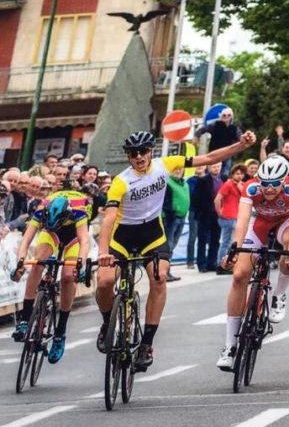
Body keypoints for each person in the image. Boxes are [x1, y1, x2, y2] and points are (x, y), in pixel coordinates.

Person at [95, 130, 256, 372]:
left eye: (143, 152)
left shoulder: (165, 164)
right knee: (105, 282)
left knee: (159, 278)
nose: (139, 157)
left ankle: (147, 344)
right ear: (128, 156)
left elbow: (208, 158)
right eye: (133, 153)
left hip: (152, 234)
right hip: (122, 237)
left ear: (151, 152)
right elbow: (108, 219)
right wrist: (103, 252)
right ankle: (107, 322)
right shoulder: (121, 181)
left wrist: (240, 146)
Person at [216, 156, 289, 371]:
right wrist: (234, 250)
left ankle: (279, 294)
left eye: (274, 183)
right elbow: (242, 221)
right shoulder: (251, 188)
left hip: (286, 224)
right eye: (265, 183)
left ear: (284, 181)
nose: (269, 188)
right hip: (259, 224)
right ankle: (229, 346)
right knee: (239, 275)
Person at [11, 190, 91, 363]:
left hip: (73, 237)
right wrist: (20, 262)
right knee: (38, 262)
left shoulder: (79, 212)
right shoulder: (41, 210)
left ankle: (60, 332)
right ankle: (25, 318)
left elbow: (84, 240)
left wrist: (81, 263)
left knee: (68, 276)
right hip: (50, 232)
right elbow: (26, 240)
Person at [193, 106, 242, 179]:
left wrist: (238, 145)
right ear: (221, 116)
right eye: (224, 115)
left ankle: (221, 184)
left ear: (231, 117)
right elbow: (202, 129)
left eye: (228, 115)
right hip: (214, 153)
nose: (226, 117)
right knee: (211, 173)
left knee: (224, 174)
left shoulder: (234, 128)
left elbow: (240, 137)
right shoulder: (215, 125)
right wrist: (196, 137)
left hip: (227, 154)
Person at [214, 164, 246, 275]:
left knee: (232, 242)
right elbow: (217, 199)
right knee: (226, 242)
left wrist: (240, 187)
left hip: (236, 217)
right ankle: (220, 265)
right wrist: (219, 212)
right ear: (232, 174)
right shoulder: (228, 184)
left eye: (241, 174)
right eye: (237, 173)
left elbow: (247, 197)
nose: (240, 176)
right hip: (227, 216)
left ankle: (227, 265)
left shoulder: (241, 185)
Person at [191, 163, 223, 272]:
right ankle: (201, 264)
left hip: (217, 214)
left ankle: (211, 263)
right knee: (202, 240)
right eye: (214, 166)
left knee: (215, 240)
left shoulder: (223, 179)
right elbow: (195, 197)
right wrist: (200, 211)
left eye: (218, 166)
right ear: (209, 168)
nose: (216, 168)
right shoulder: (203, 180)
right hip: (204, 215)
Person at [162, 167, 190, 282]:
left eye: (180, 169)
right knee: (168, 246)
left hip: (181, 217)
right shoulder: (167, 183)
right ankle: (164, 272)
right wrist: (173, 212)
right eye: (175, 169)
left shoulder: (184, 183)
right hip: (170, 218)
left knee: (172, 245)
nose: (178, 171)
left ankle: (167, 271)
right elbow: (165, 202)